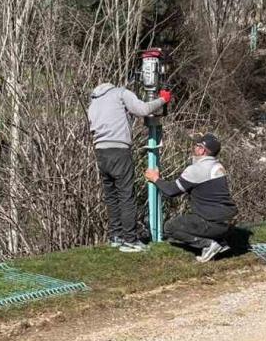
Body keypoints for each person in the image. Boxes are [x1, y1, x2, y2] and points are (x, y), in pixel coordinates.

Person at [88, 81, 170, 253]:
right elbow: (142, 110)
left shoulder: (94, 101)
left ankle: (116, 236)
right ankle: (130, 240)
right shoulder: (120, 93)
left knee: (111, 197)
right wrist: (162, 99)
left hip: (100, 152)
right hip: (119, 149)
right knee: (126, 195)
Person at [145, 133, 238, 263]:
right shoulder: (218, 166)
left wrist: (155, 178)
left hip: (212, 221)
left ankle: (208, 244)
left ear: (202, 150)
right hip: (228, 221)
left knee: (170, 227)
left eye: (197, 145)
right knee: (199, 219)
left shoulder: (197, 169)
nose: (194, 148)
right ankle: (219, 239)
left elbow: (171, 191)